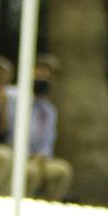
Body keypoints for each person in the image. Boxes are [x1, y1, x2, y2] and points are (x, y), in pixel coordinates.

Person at [7, 54, 73, 200]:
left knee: (62, 170)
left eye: (48, 73)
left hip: (38, 159)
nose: (43, 76)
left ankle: (47, 206)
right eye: (40, 70)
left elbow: (48, 139)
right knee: (31, 173)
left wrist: (42, 155)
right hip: (13, 154)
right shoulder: (12, 97)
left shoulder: (48, 110)